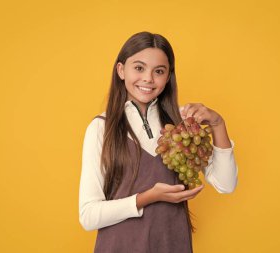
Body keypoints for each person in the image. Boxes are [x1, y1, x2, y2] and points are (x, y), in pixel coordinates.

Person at [79, 31, 238, 253]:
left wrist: (218, 124)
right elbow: (88, 215)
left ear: (168, 76)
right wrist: (148, 197)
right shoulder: (101, 128)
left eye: (159, 71)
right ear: (121, 70)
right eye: (139, 68)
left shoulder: (182, 127)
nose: (148, 78)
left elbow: (226, 183)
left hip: (172, 245)